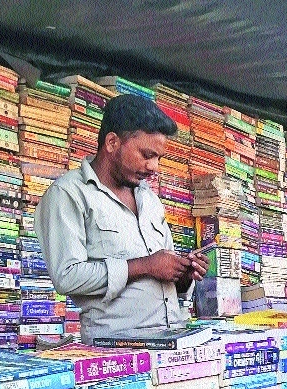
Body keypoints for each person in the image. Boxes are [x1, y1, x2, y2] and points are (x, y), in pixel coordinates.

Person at [35, 94, 208, 345]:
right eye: (147, 155)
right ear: (113, 142)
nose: (154, 167)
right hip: (116, 350)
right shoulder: (68, 194)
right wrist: (145, 265)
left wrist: (183, 273)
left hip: (173, 339)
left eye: (159, 158)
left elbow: (164, 268)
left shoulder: (149, 199)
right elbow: (67, 276)